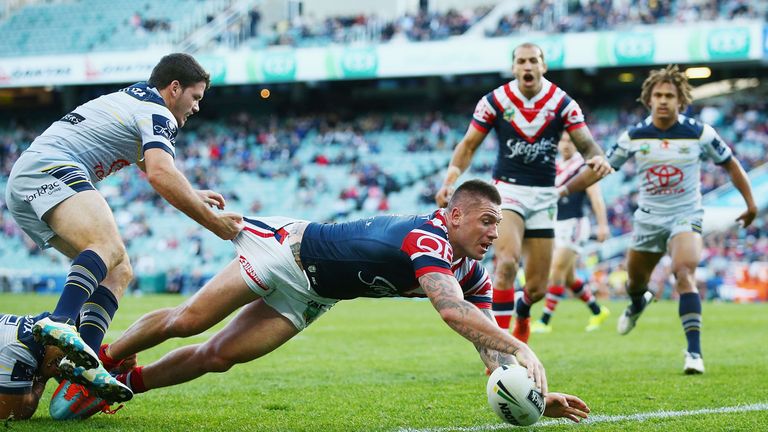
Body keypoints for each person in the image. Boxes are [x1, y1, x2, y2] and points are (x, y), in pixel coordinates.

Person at [94, 180, 589, 423]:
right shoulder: (429, 238)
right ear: (455, 215)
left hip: (316, 294)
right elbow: (451, 312)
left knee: (218, 357)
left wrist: (529, 394)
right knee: (189, 320)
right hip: (285, 252)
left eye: (498, 226)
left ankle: (122, 387)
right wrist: (526, 349)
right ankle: (103, 360)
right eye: (486, 222)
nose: (494, 233)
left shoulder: (472, 272)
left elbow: (488, 351)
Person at [4, 53, 243, 402]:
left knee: (118, 270)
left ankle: (83, 360)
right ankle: (58, 321)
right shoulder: (159, 113)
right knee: (108, 246)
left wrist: (192, 192)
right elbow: (160, 173)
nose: (196, 108)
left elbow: (152, 166)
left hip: (29, 180)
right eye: (195, 97)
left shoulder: (136, 100)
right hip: (50, 167)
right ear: (174, 88)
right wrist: (214, 223)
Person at [434, 42, 612, 343]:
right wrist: (450, 178)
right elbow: (468, 145)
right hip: (507, 191)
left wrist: (597, 157)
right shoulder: (495, 101)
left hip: (545, 196)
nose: (527, 66)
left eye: (533, 61)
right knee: (505, 264)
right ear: (514, 67)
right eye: (521, 61)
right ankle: (502, 347)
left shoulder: (562, 102)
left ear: (543, 66)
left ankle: (524, 310)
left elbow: (586, 143)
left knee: (538, 288)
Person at [607, 65, 756, 374]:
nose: (663, 100)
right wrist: (567, 188)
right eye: (658, 95)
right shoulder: (634, 136)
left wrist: (751, 204)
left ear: (680, 100)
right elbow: (604, 168)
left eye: (669, 95)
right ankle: (638, 302)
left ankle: (694, 354)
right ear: (648, 99)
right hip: (648, 219)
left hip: (685, 215)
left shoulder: (700, 133)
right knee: (635, 282)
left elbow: (731, 165)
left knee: (683, 271)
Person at [531, 133, 610, 334]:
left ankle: (544, 320)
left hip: (575, 223)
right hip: (557, 223)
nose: (566, 145)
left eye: (570, 141)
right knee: (568, 277)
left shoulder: (584, 167)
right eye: (562, 141)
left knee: (556, 269)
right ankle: (597, 310)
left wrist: (602, 225)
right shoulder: (556, 167)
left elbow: (596, 197)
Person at [0, 312, 135, 420]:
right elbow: (13, 413)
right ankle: (108, 356)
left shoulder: (43, 332)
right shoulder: (21, 350)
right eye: (61, 359)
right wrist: (42, 379)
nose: (60, 368)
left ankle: (107, 357)